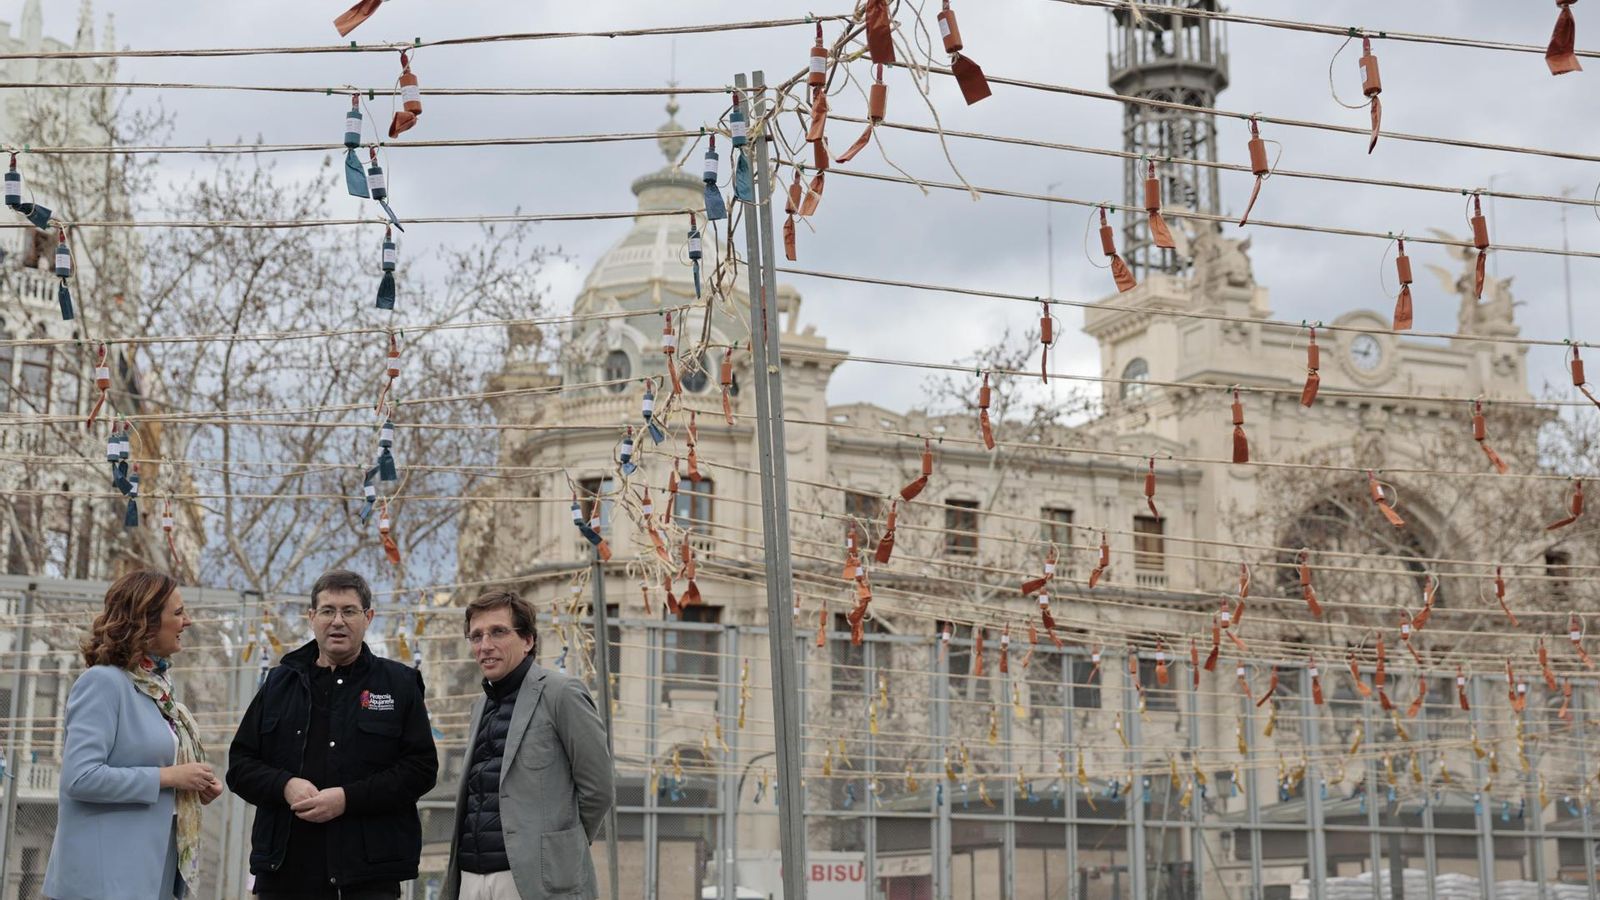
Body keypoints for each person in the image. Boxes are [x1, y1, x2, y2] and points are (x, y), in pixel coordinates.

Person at [226, 569, 438, 899]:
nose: (337, 621)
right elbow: (240, 766)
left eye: (349, 611)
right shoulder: (279, 684)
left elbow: (420, 770)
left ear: (368, 617)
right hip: (284, 875)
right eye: (327, 610)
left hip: (368, 878)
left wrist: (347, 799)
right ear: (311, 617)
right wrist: (284, 785)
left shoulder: (399, 684)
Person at [43, 569, 222, 900]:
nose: (188, 622)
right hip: (102, 882)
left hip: (149, 876)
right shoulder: (103, 683)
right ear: (147, 622)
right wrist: (170, 777)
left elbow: (153, 776)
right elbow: (80, 779)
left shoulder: (157, 689)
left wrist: (192, 786)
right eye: (179, 613)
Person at [441, 590, 614, 900]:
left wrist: (558, 848)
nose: (485, 645)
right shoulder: (480, 706)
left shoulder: (562, 694)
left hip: (532, 879)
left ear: (528, 640)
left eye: (498, 632)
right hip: (470, 877)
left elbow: (598, 789)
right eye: (476, 636)